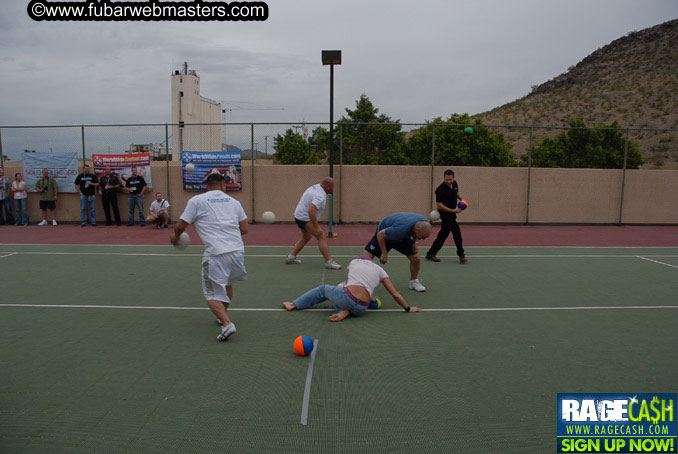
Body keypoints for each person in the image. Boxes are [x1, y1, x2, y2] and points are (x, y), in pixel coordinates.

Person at [171, 173, 248, 342]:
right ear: (222, 184)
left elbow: (181, 225)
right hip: (237, 251)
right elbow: (244, 228)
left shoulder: (196, 201)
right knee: (227, 283)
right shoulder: (235, 202)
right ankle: (222, 316)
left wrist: (175, 238)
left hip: (215, 253)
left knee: (211, 293)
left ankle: (227, 324)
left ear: (207, 185)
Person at [283, 254, 421, 322]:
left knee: (325, 289)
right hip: (362, 308)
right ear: (370, 262)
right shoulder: (380, 270)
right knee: (344, 295)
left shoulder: (354, 261)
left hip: (348, 297)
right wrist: (408, 308)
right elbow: (395, 294)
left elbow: (348, 283)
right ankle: (346, 311)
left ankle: (294, 304)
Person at [364, 212, 432, 292]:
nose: (423, 239)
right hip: (383, 236)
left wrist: (415, 242)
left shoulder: (423, 222)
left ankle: (413, 282)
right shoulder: (400, 229)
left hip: (402, 237)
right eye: (423, 237)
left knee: (416, 259)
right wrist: (384, 253)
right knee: (365, 259)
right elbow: (380, 235)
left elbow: (415, 233)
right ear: (417, 229)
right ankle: (358, 283)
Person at [285, 177, 342, 270]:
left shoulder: (316, 186)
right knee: (321, 235)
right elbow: (311, 211)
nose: (333, 189)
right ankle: (329, 262)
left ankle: (291, 257)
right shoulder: (320, 196)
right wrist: (316, 227)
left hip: (298, 215)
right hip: (304, 218)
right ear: (327, 187)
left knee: (306, 237)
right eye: (332, 186)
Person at [426, 169, 467, 263]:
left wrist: (461, 199)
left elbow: (456, 192)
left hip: (452, 214)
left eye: (450, 179)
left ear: (453, 178)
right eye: (446, 180)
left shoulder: (455, 184)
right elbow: (439, 205)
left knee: (443, 235)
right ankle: (461, 254)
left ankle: (431, 253)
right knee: (457, 233)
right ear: (444, 178)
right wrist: (454, 210)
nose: (448, 181)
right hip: (445, 214)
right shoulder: (440, 189)